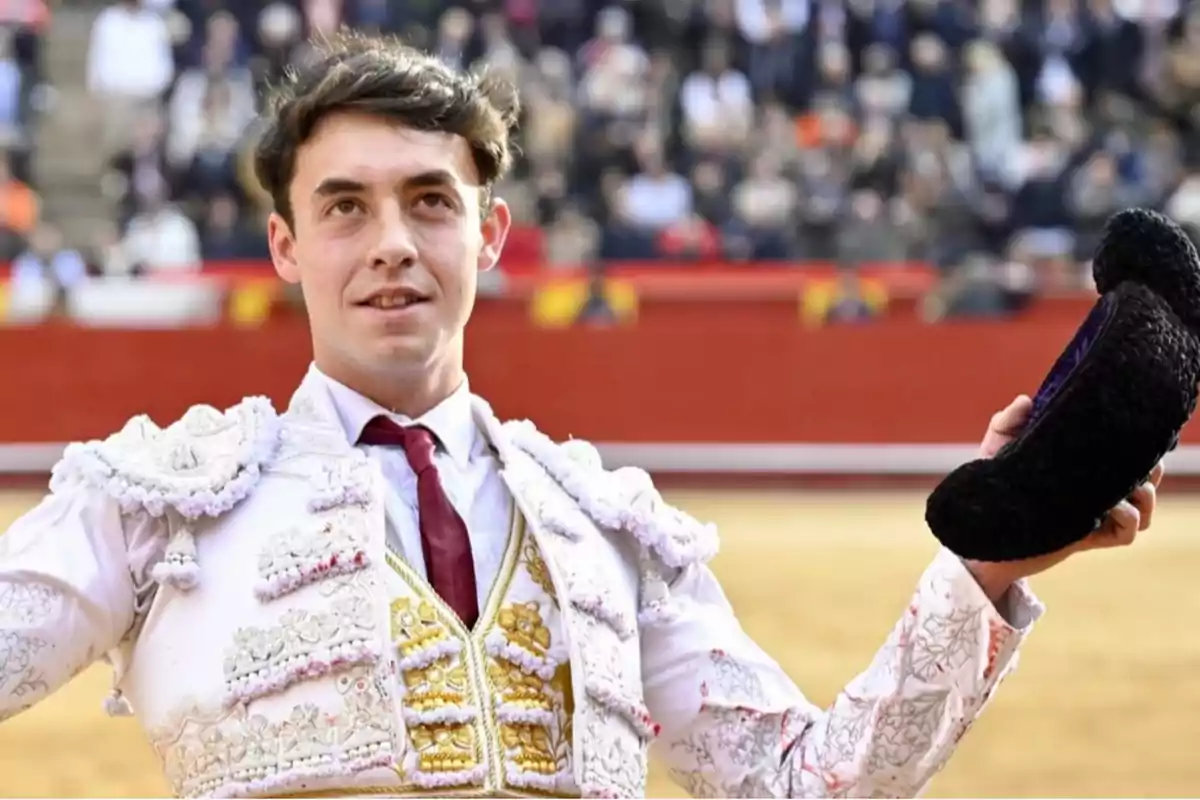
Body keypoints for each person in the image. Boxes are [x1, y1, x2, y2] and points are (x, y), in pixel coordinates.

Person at [0, 32, 1162, 799]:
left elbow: (808, 785)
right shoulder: (161, 508)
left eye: (429, 202)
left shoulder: (605, 524)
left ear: (489, 234)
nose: (393, 243)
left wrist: (985, 568)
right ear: (287, 245)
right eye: (346, 207)